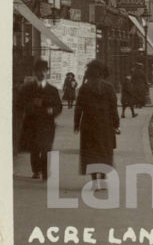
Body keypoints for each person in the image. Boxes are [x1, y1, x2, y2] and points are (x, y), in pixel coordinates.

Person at [74, 60, 119, 189]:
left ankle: (94, 182)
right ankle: (103, 180)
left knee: (91, 153)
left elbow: (79, 107)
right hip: (105, 124)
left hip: (88, 125)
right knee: (104, 151)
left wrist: (76, 123)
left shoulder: (84, 88)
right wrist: (116, 124)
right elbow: (113, 108)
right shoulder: (109, 87)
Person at [19, 59, 63, 180]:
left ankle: (44, 172)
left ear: (47, 72)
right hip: (32, 122)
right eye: (39, 71)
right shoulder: (27, 88)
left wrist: (52, 111)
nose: (41, 73)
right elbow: (20, 103)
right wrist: (31, 106)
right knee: (34, 148)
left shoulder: (52, 90)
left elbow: (59, 106)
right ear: (34, 72)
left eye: (44, 70)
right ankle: (36, 171)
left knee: (46, 148)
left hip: (47, 124)